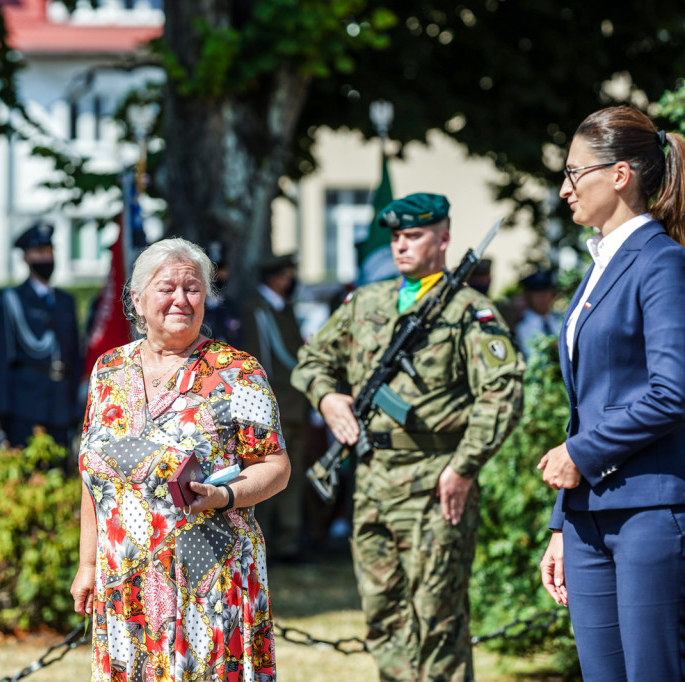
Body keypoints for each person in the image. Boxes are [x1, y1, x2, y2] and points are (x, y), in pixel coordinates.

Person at [292, 192, 524, 681]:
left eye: (414, 236)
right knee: (383, 616)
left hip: (435, 483)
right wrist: (329, 399)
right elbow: (313, 361)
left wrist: (463, 468)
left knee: (437, 617)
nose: (401, 246)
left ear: (443, 240)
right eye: (396, 237)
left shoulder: (468, 312)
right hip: (374, 481)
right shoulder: (367, 302)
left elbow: (502, 394)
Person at [70, 237, 289, 681]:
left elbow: (275, 466)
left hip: (208, 579)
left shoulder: (236, 371)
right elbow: (92, 474)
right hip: (125, 580)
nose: (180, 299)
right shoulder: (109, 370)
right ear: (137, 299)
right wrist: (88, 564)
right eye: (166, 287)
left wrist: (223, 495)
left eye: (192, 288)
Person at [537, 107, 685, 682]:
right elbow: (588, 409)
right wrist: (561, 521)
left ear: (619, 174)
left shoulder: (663, 262)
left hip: (649, 510)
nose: (563, 188)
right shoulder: (600, 265)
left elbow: (673, 392)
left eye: (574, 173)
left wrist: (582, 455)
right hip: (588, 517)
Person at [0, 222, 81, 449]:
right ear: (26, 258)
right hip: (25, 405)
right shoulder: (11, 299)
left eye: (49, 251)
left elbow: (74, 354)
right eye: (39, 252)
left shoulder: (64, 300)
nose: (46, 258)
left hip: (60, 403)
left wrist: (76, 404)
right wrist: (0, 413)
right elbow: (0, 360)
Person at [240, 253, 308, 562]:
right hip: (272, 408)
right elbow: (259, 361)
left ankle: (288, 542)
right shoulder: (258, 311)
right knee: (264, 477)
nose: (290, 281)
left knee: (291, 479)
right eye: (287, 275)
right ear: (276, 277)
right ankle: (264, 541)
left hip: (295, 405)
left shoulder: (282, 309)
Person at [515, 268, 562, 357]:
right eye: (537, 292)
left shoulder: (561, 319)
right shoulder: (520, 326)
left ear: (552, 293)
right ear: (527, 296)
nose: (542, 297)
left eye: (546, 291)